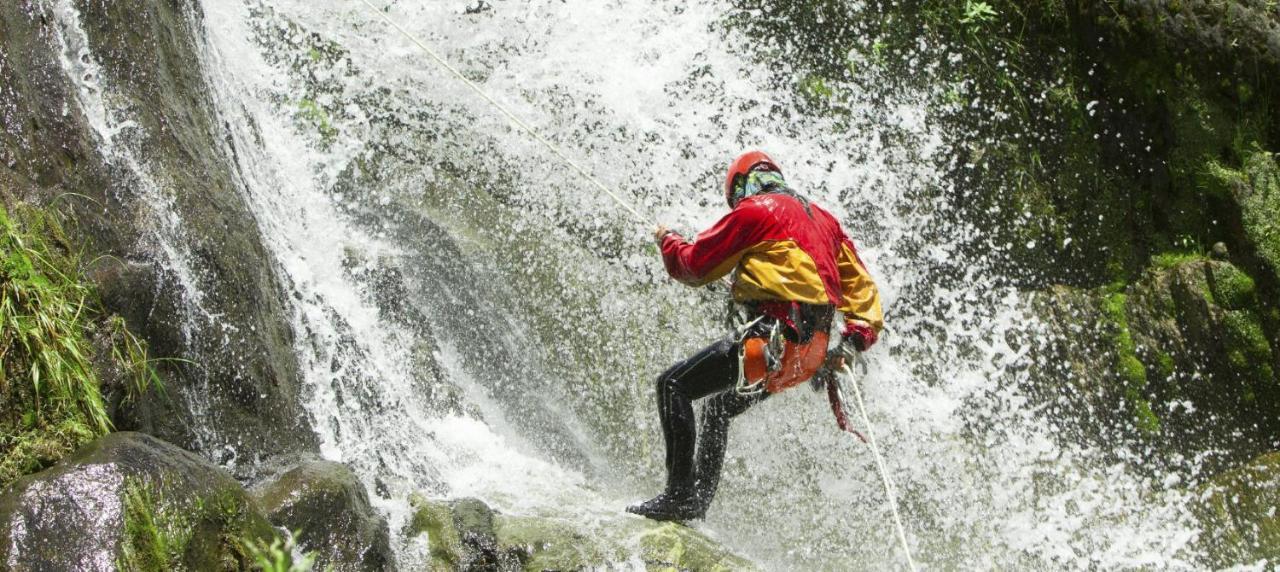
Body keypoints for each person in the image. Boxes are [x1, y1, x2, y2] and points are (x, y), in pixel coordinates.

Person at [627, 150, 884, 521]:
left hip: (773, 341)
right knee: (718, 408)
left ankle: (679, 496)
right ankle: (695, 505)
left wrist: (668, 240)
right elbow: (862, 289)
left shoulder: (755, 211)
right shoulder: (825, 221)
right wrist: (856, 340)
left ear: (740, 187)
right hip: (810, 355)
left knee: (673, 385)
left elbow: (695, 266)